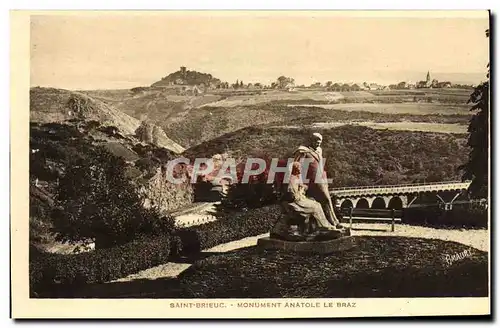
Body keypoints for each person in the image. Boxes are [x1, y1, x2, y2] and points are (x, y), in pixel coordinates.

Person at [293, 132, 343, 229]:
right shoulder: (303, 151)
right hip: (311, 181)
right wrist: (300, 182)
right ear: (311, 140)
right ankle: (334, 222)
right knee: (326, 200)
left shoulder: (319, 151)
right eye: (316, 141)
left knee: (324, 201)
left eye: (320, 142)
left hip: (321, 180)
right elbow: (297, 166)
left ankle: (330, 223)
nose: (318, 143)